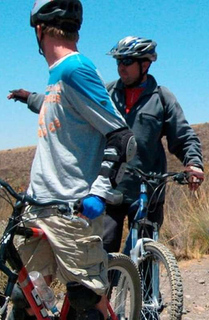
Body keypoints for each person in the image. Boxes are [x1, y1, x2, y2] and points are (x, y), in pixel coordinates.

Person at [7, 1, 136, 319]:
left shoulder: (75, 68)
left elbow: (122, 138)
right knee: (24, 301)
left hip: (71, 213)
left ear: (39, 29)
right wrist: (28, 98)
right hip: (37, 209)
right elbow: (66, 115)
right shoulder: (56, 78)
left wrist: (99, 190)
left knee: (85, 304)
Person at [102, 36, 204, 253]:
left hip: (148, 189)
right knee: (102, 255)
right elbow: (71, 109)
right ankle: (105, 288)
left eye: (127, 62)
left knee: (144, 256)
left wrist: (193, 163)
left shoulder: (161, 97)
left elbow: (183, 137)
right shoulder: (107, 94)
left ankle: (148, 288)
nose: (121, 68)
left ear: (145, 64)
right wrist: (33, 99)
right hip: (109, 187)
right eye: (119, 61)